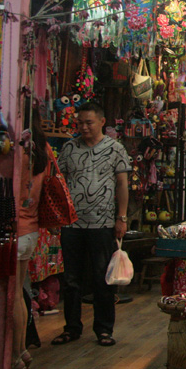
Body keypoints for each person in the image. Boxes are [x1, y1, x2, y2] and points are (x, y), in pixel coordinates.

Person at [51, 101, 131, 347]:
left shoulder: (115, 149)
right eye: (80, 123)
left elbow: (122, 185)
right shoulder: (69, 148)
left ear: (101, 122)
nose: (84, 128)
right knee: (72, 279)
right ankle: (72, 327)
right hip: (72, 225)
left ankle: (104, 329)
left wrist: (122, 217)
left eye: (89, 122)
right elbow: (59, 182)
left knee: (102, 278)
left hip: (103, 223)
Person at [11, 105, 51, 369]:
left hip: (14, 229)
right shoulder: (42, 150)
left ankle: (15, 353)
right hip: (31, 228)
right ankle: (21, 349)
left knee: (11, 295)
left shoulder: (18, 150)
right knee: (18, 293)